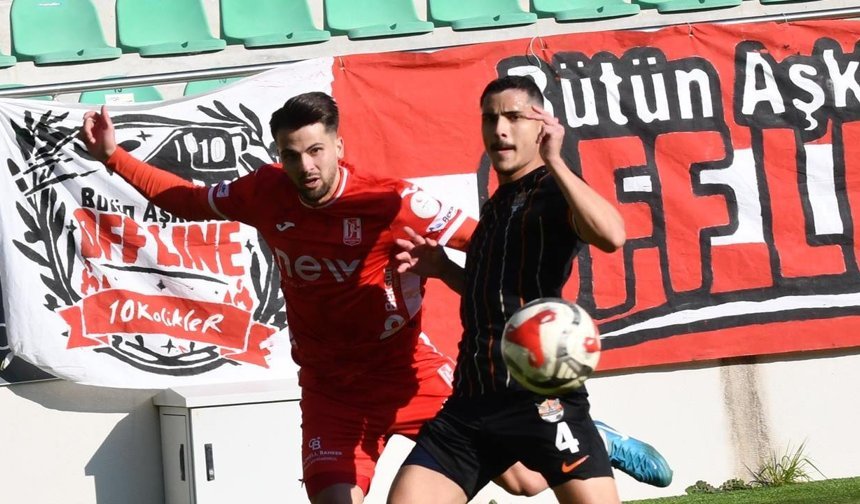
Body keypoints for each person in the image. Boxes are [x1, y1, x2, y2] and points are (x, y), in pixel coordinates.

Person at [79, 91, 669, 504]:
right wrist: (113, 156)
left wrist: (498, 284)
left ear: (338, 145)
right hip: (331, 389)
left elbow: (488, 245)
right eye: (290, 154)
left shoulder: (392, 201)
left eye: (315, 151)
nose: (304, 167)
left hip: (410, 373)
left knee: (527, 483)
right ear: (277, 155)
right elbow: (186, 200)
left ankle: (596, 437)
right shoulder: (265, 193)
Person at [387, 75, 652, 504]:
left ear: (540, 125)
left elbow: (612, 235)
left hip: (541, 398)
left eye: (514, 117)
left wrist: (558, 161)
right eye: (490, 119)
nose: (500, 129)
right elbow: (490, 295)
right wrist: (441, 268)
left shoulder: (554, 190)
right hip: (471, 402)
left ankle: (597, 441)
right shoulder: (495, 205)